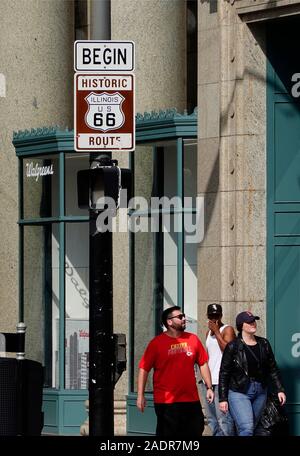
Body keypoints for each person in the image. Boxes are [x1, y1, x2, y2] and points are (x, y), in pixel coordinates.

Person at [136, 306, 214, 437]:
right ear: (169, 322)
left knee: (196, 429)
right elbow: (144, 369)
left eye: (184, 316)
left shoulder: (193, 339)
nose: (184, 319)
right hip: (166, 401)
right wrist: (140, 395)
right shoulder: (156, 343)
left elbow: (203, 364)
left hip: (191, 399)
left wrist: (209, 387)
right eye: (180, 317)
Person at [219, 310, 286, 436]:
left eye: (253, 321)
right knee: (247, 427)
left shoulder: (264, 343)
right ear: (241, 325)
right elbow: (224, 372)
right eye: (249, 322)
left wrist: (280, 389)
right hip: (239, 391)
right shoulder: (233, 346)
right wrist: (222, 398)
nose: (253, 324)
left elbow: (272, 368)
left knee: (253, 427)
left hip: (260, 391)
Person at [199, 303, 236, 436]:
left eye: (217, 315)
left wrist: (216, 331)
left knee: (223, 419)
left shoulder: (228, 330)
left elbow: (228, 351)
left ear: (221, 315)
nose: (214, 318)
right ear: (207, 316)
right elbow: (208, 357)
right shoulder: (207, 333)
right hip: (209, 382)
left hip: (222, 381)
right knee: (211, 419)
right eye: (211, 315)